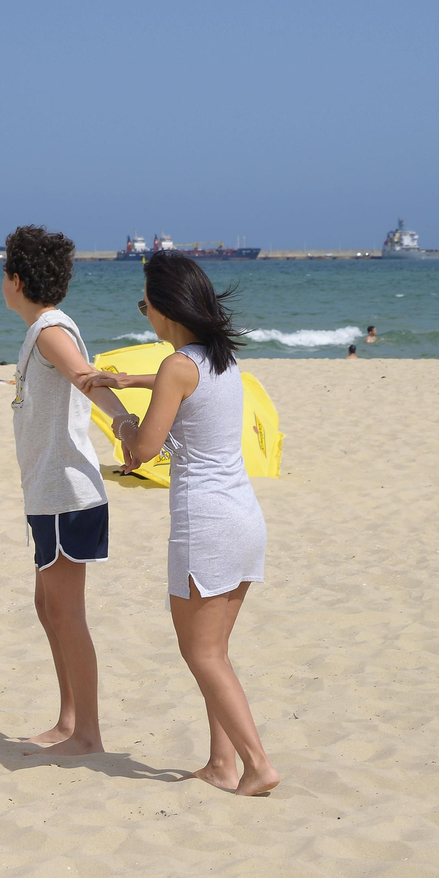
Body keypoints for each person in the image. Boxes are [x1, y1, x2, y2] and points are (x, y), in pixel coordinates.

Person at [84, 251, 279, 797]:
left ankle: (258, 764)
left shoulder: (178, 367)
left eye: (144, 304)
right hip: (244, 519)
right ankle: (221, 764)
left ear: (166, 309)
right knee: (215, 654)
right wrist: (130, 378)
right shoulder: (220, 357)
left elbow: (145, 449)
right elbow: (181, 380)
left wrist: (120, 418)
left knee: (202, 654)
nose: (144, 312)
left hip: (206, 524)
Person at [2, 224, 139, 758]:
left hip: (66, 493)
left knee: (67, 613)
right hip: (47, 492)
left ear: (16, 279)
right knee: (48, 606)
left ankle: (87, 734)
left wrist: (123, 422)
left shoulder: (51, 330)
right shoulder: (43, 329)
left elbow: (85, 376)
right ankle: (68, 719)